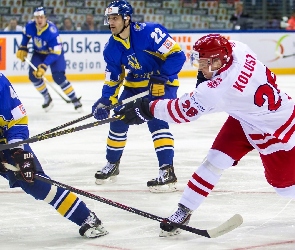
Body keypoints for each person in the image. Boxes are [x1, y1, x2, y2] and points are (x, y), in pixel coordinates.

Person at [115, 33, 295, 236]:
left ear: (219, 61)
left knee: (285, 189)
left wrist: (147, 108)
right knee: (214, 161)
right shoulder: (238, 49)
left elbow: (182, 112)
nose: (200, 68)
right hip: (246, 117)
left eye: (204, 63)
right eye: (198, 62)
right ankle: (184, 209)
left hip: (274, 130)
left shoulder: (219, 91)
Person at [92, 0, 186, 192]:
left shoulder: (149, 32)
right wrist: (106, 100)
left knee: (156, 119)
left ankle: (167, 171)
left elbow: (178, 55)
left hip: (162, 83)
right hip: (135, 85)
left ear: (127, 18)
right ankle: (112, 164)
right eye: (109, 18)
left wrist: (161, 77)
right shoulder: (111, 47)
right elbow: (113, 77)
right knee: (118, 118)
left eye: (115, 18)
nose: (111, 22)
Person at [0, 72, 108, 238]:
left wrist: (17, 150)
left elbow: (17, 119)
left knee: (36, 183)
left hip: (5, 142)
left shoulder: (0, 83)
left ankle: (85, 217)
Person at [16, 7, 82, 112]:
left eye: (41, 17)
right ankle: (47, 98)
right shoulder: (30, 26)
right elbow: (25, 35)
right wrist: (23, 46)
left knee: (58, 77)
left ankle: (75, 99)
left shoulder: (52, 31)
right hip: (39, 53)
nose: (39, 20)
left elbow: (55, 53)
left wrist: (44, 65)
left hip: (55, 55)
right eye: (37, 17)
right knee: (33, 76)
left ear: (46, 18)